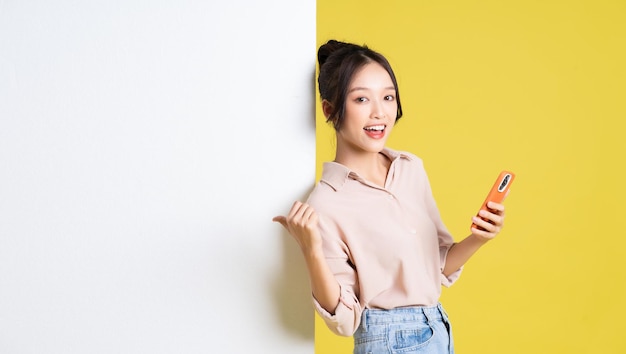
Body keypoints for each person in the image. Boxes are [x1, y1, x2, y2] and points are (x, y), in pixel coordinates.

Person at [273, 39, 506, 354]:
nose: (379, 113)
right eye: (361, 99)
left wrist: (480, 237)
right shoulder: (326, 203)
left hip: (438, 330)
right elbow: (343, 321)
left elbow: (437, 267)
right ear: (330, 110)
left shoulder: (410, 169)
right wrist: (311, 249)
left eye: (387, 97)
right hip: (387, 341)